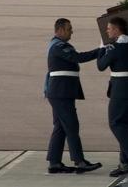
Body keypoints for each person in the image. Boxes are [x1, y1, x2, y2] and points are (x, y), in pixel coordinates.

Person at [44, 18, 102, 174]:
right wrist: (101, 50)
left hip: (60, 92)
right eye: (69, 29)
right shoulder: (59, 46)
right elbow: (78, 58)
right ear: (60, 30)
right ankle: (79, 161)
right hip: (60, 92)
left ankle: (54, 162)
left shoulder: (58, 45)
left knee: (61, 127)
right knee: (71, 126)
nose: (71, 31)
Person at [97, 17, 128, 177]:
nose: (107, 31)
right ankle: (126, 161)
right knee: (124, 124)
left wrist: (102, 48)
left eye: (109, 28)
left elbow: (101, 65)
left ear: (117, 30)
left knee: (116, 123)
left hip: (121, 90)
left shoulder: (115, 48)